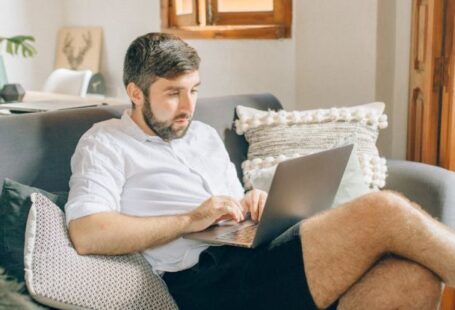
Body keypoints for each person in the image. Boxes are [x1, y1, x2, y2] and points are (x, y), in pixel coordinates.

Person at [65, 33, 454, 310]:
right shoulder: (105, 143)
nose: (188, 105)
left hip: (254, 255)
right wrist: (188, 220)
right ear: (136, 93)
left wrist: (250, 203)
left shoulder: (201, 136)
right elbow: (86, 233)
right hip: (206, 282)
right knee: (381, 210)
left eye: (194, 90)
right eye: (173, 93)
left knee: (413, 277)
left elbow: (231, 206)